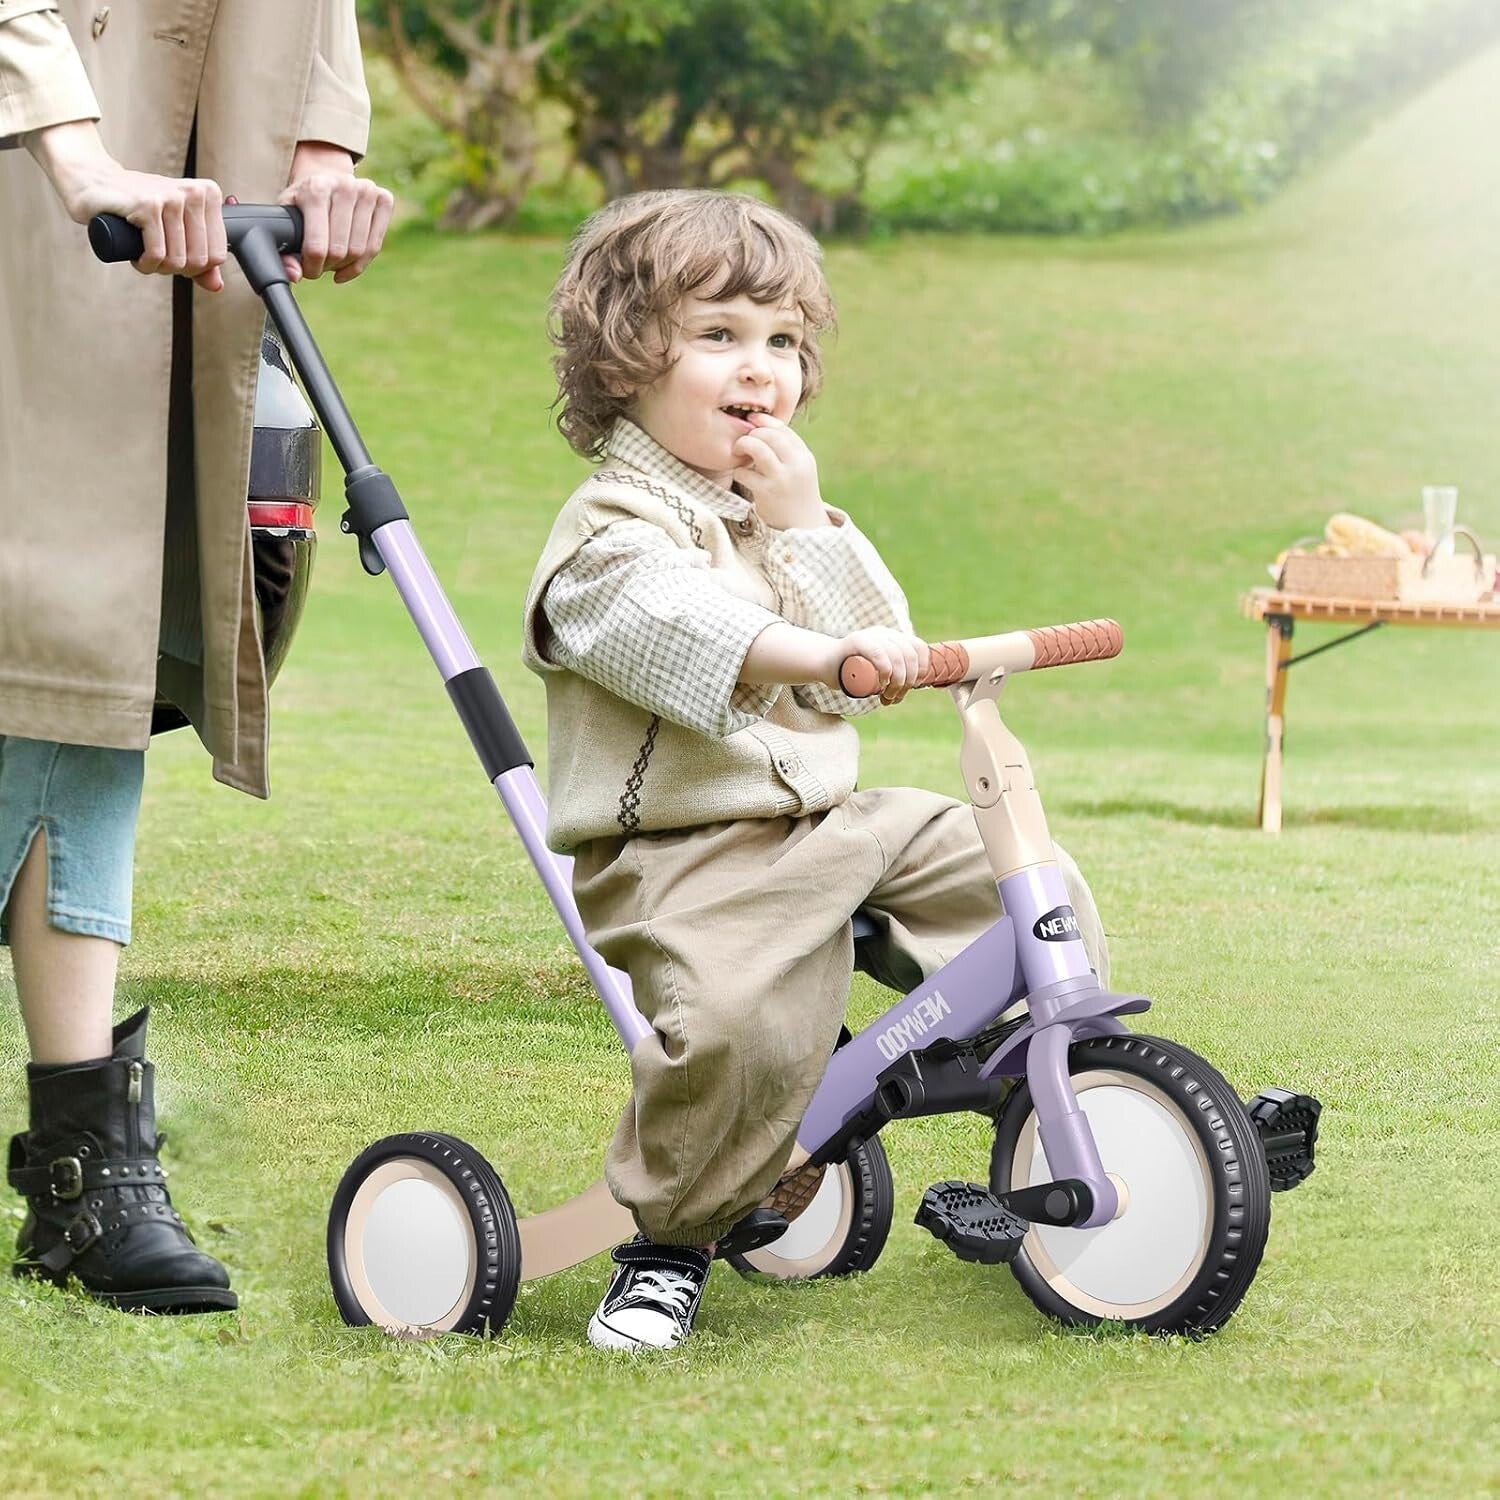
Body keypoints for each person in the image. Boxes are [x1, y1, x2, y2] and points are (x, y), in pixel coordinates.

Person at [523, 189, 1111, 1351]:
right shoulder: (609, 533)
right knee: (737, 1024)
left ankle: (1047, 1085)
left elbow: (877, 652)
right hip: (682, 854)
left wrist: (804, 527)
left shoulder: (771, 513)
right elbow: (690, 633)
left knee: (1018, 876)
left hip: (829, 825)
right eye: (720, 335)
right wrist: (824, 654)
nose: (762, 368)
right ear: (626, 359)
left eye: (783, 340)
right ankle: (669, 1244)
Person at [0, 2, 392, 1313]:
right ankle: (87, 1169)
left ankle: (89, 1175)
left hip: (175, 220)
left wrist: (320, 152)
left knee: (86, 641)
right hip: (44, 187)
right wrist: (75, 155)